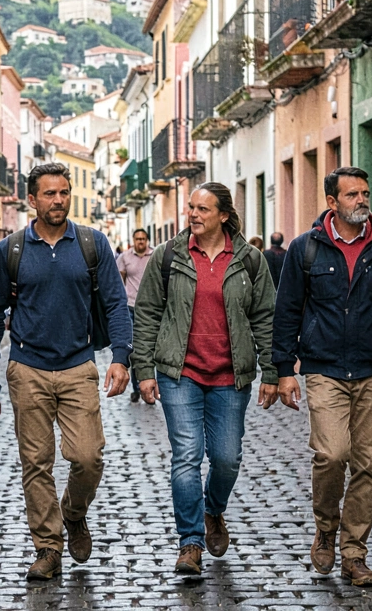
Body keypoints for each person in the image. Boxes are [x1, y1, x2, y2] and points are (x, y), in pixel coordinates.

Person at [0, 162, 133, 581]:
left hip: (79, 365)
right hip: (27, 367)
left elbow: (116, 303)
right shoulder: (11, 249)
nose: (58, 200)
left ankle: (74, 512)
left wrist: (121, 356)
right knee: (36, 462)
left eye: (64, 192)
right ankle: (47, 547)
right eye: (49, 193)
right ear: (32, 200)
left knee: (88, 456)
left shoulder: (91, 243)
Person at [272, 167, 372, 587]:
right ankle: (326, 527)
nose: (362, 200)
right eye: (352, 194)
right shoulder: (306, 248)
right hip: (323, 368)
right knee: (331, 454)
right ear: (332, 202)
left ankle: (354, 554)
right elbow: (286, 311)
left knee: (365, 465)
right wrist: (284, 370)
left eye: (365, 192)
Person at [131, 183, 278, 575]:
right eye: (191, 207)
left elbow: (265, 317)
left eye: (203, 209)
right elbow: (147, 313)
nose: (193, 215)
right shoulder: (168, 256)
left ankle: (214, 509)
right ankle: (190, 542)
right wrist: (143, 370)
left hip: (231, 375)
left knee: (227, 458)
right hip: (180, 373)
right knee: (186, 455)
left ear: (224, 215)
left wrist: (272, 371)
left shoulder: (249, 260)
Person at [116, 228, 153, 403]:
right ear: (133, 240)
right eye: (138, 239)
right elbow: (120, 280)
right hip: (130, 307)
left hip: (150, 308)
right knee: (135, 350)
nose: (140, 241)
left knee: (151, 348)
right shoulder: (125, 257)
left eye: (143, 239)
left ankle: (150, 385)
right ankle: (136, 388)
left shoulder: (154, 256)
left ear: (147, 240)